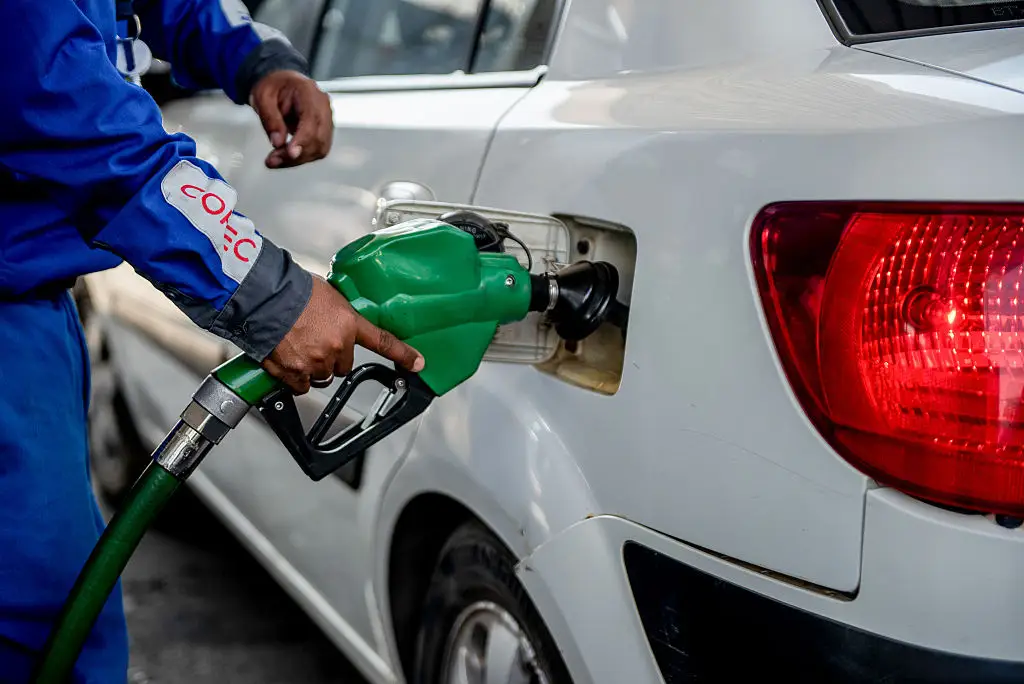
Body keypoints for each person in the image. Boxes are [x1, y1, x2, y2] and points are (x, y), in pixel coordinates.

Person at [0, 1, 424, 681]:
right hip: (11, 315)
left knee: (58, 626)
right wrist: (270, 296)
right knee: (44, 638)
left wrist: (257, 58)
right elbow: (54, 92)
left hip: (28, 307)